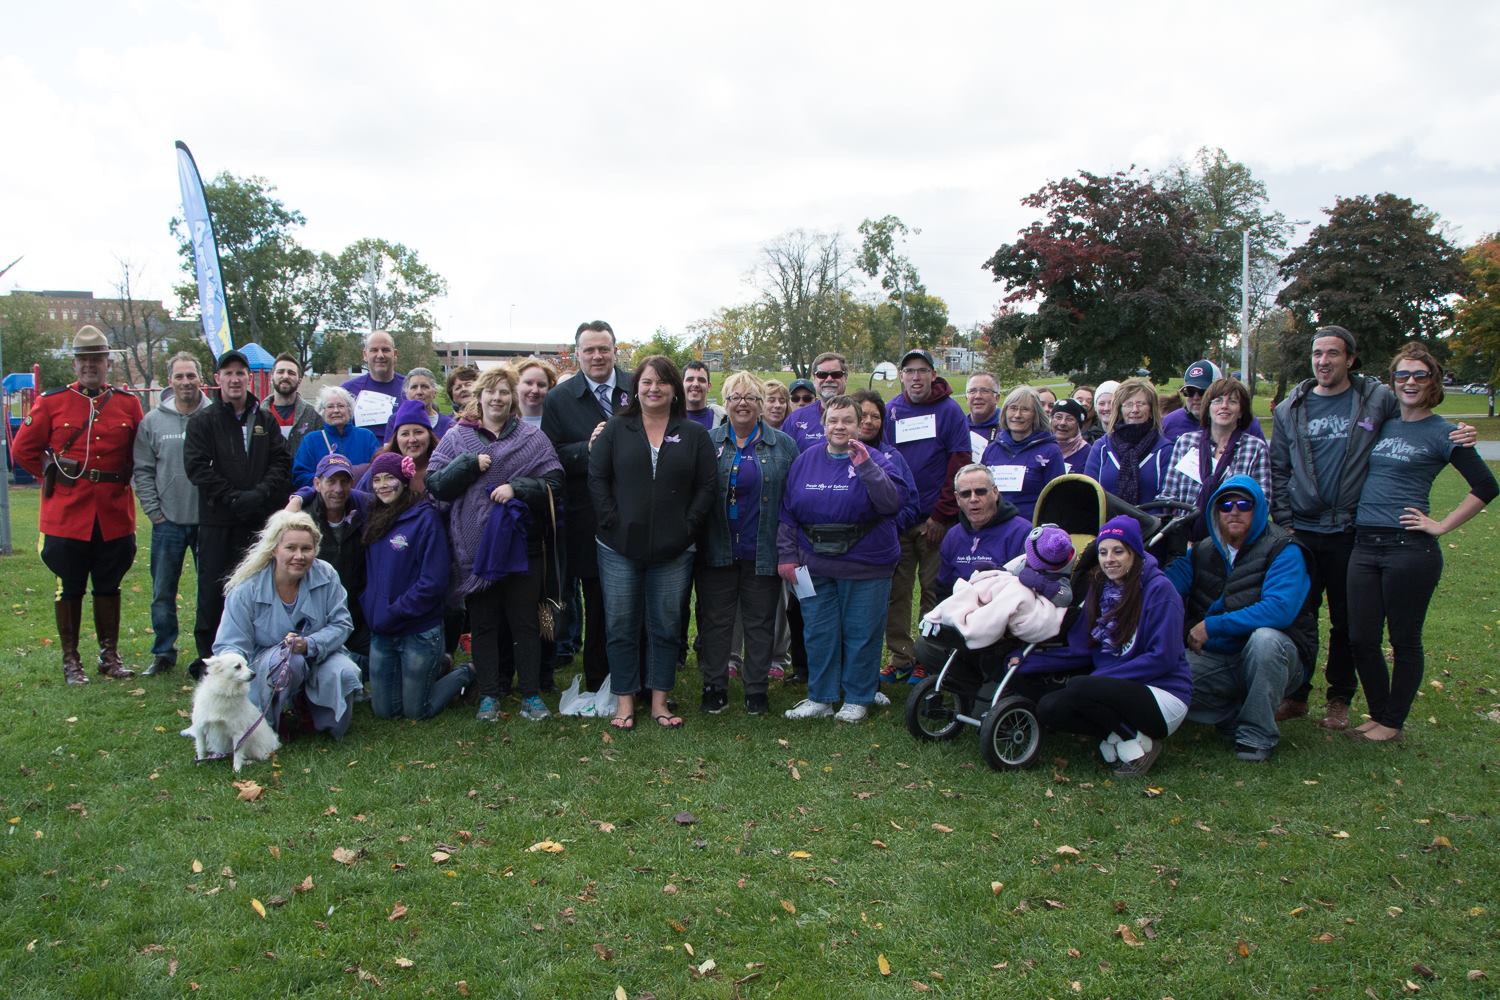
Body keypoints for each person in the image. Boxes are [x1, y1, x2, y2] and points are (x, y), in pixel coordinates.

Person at [1269, 326, 1475, 729]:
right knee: (1299, 615)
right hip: (1302, 531)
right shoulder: (1291, 407)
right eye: (1317, 353)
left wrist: (1458, 431)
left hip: (1351, 530)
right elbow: (1279, 468)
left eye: (1333, 353)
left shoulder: (1376, 399)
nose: (1323, 360)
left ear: (1350, 359)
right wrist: (1287, 523)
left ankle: (1339, 698)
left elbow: (1418, 412)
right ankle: (1296, 694)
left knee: (1348, 622)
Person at [1345, 345, 1497, 743]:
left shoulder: (1445, 432)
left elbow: (1486, 486)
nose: (1410, 382)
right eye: (1402, 375)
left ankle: (1392, 722)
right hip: (1365, 544)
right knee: (1361, 638)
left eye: (1419, 375)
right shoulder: (1384, 423)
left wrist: (1441, 525)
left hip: (1408, 549)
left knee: (1404, 639)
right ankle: (1379, 713)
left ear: (1433, 382)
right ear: (1393, 381)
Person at [428, 364, 564, 723]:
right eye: (491, 391)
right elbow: (436, 484)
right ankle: (489, 695)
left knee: (525, 623)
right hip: (476, 551)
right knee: (484, 625)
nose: (497, 398)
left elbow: (555, 482)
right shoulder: (457, 438)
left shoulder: (533, 439)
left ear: (513, 397)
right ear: (480, 396)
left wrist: (517, 488)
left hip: (524, 548)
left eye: (504, 391)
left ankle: (531, 694)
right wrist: (469, 465)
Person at [588, 355, 717, 729]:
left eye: (662, 382)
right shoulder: (616, 429)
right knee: (621, 624)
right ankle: (625, 702)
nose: (654, 389)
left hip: (675, 549)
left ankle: (660, 702)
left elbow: (707, 486)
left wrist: (688, 527)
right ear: (636, 388)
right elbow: (597, 478)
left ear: (674, 389)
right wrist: (612, 521)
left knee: (665, 625)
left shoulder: (693, 434)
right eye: (646, 382)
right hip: (617, 547)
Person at [12, 325, 144, 684]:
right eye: (84, 360)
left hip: (113, 512)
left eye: (96, 359)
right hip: (67, 514)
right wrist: (51, 476)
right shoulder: (52, 402)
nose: (90, 366)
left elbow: (141, 452)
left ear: (108, 363)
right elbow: (23, 449)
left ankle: (109, 655)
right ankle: (71, 660)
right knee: (69, 586)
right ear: (74, 364)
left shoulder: (127, 403)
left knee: (109, 584)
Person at [1022, 516, 1193, 776]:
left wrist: (1100, 679)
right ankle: (1123, 734)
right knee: (1049, 707)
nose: (1109, 559)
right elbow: (1081, 646)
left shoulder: (1161, 590)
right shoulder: (1100, 587)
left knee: (1081, 687)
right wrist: (1025, 661)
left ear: (1134, 553)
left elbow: (1163, 657)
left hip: (1163, 694)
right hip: (1113, 686)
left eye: (1118, 551)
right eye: (1103, 552)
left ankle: (1139, 745)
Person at [1164, 477, 1316, 762]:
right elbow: (1164, 587)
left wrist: (1212, 625)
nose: (1234, 511)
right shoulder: (1202, 551)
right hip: (1219, 656)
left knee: (1265, 640)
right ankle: (1232, 714)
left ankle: (1256, 734)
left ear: (1258, 510)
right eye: (1225, 505)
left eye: (1244, 505)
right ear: (1215, 511)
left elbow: (1280, 609)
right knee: (1163, 682)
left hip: (1278, 657)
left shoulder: (1284, 549)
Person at [779, 395, 905, 722]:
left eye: (847, 421)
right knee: (818, 632)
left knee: (862, 633)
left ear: (859, 426)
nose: (839, 427)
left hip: (866, 565)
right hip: (813, 566)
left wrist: (866, 467)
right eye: (833, 420)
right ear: (823, 425)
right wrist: (787, 556)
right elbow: (788, 513)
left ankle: (858, 697)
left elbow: (891, 504)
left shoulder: (877, 459)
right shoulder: (805, 460)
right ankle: (821, 697)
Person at [696, 372, 798, 715]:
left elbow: (793, 500)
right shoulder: (707, 441)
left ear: (761, 404)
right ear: (725, 403)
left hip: (762, 549)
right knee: (716, 622)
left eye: (750, 398)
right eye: (735, 397)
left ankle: (756, 689)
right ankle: (714, 686)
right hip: (717, 548)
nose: (742, 403)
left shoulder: (783, 445)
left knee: (760, 622)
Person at [542, 320, 635, 692]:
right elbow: (550, 456)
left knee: (637, 598)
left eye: (604, 348)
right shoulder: (559, 399)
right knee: (597, 599)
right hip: (588, 516)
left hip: (638, 511)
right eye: (590, 349)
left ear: (615, 350)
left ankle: (639, 678)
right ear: (577, 353)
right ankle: (600, 679)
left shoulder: (637, 387)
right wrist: (589, 449)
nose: (597, 356)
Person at [213, 510, 361, 739]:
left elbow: (342, 624)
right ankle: (267, 722)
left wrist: (309, 644)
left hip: (320, 653)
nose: (299, 556)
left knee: (345, 670)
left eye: (306, 549)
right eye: (290, 548)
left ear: (315, 550)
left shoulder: (327, 574)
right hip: (266, 661)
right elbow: (230, 644)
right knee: (289, 662)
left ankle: (319, 718)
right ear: (274, 549)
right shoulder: (246, 589)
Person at [185, 349, 292, 659]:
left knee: (258, 587)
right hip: (218, 520)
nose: (234, 379)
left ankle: (256, 653)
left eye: (240, 373)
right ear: (217, 379)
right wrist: (232, 497)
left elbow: (281, 461)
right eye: (228, 373)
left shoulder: (265, 419)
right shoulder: (203, 421)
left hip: (258, 519)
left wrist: (260, 493)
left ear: (249, 379)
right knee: (213, 590)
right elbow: (197, 468)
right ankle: (210, 658)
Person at [361, 452, 473, 720]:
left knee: (417, 711)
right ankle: (432, 669)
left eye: (389, 478)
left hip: (418, 630)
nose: (382, 485)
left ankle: (467, 671)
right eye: (377, 479)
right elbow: (325, 490)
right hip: (382, 630)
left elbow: (433, 581)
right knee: (385, 712)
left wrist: (396, 610)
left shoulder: (425, 518)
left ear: (404, 480)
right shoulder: (374, 516)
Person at [881, 349, 971, 684]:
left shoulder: (949, 411)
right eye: (909, 371)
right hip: (900, 519)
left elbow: (959, 463)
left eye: (922, 370)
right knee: (898, 592)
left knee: (933, 591)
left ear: (933, 374)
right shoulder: (892, 411)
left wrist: (942, 515)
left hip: (936, 521)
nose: (915, 377)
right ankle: (901, 657)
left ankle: (928, 657)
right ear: (901, 376)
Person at [132, 351, 210, 676]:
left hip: (209, 523)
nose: (186, 382)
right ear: (170, 381)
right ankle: (163, 652)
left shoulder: (214, 416)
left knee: (210, 591)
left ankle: (210, 651)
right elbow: (142, 469)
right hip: (168, 522)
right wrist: (154, 511)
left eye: (191, 375)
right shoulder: (153, 422)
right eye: (179, 376)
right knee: (163, 591)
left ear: (201, 379)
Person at [290, 454, 371, 680]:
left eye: (344, 482)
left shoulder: (362, 509)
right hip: (314, 614)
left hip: (356, 612)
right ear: (317, 484)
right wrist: (298, 497)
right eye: (331, 481)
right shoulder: (302, 518)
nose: (338, 489)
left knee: (385, 658)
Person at [1157, 378, 1272, 527]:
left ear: (1241, 412)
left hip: (1234, 536)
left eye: (1232, 401)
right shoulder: (1186, 443)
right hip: (1184, 534)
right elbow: (1168, 495)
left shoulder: (1255, 448)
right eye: (1217, 401)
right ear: (1208, 408)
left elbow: (1263, 502)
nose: (1224, 406)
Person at [935, 464, 1032, 602]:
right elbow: (943, 590)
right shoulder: (953, 536)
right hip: (959, 609)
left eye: (980, 492)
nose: (973, 499)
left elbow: (1027, 591)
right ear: (957, 498)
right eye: (965, 494)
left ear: (995, 492)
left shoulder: (1022, 532)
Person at [979, 386, 1066, 520]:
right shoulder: (992, 450)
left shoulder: (1050, 451)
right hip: (994, 524)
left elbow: (1057, 500)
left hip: (1032, 527)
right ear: (1005, 412)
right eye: (1013, 408)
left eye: (1025, 409)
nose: (1017, 415)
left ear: (1036, 415)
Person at [1083, 377, 1171, 507]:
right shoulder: (1101, 447)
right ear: (1120, 409)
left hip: (1151, 519)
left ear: (1151, 409)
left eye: (1141, 404)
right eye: (1128, 404)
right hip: (1107, 519)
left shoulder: (1164, 449)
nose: (1135, 410)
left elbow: (1167, 499)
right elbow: (1088, 493)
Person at [292, 386, 379, 489]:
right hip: (324, 497)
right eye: (330, 406)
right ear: (322, 411)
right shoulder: (311, 440)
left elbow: (378, 469)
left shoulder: (367, 437)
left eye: (341, 406)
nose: (336, 410)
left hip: (361, 495)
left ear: (349, 410)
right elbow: (300, 476)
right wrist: (329, 482)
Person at [1161, 360, 1265, 443]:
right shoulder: (1169, 422)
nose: (1196, 397)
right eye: (1190, 391)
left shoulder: (1247, 423)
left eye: (1202, 391)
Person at [357, 400, 438, 496]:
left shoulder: (442, 465)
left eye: (418, 432)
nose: (412, 439)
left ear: (429, 435)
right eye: (405, 434)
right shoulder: (382, 465)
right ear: (396, 438)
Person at [342, 330, 405, 444]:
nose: (380, 355)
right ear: (365, 355)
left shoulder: (410, 388)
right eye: (374, 350)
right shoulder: (347, 391)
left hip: (399, 453)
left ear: (395, 354)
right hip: (361, 453)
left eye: (385, 350)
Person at [786, 354, 849, 451]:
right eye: (822, 374)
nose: (829, 379)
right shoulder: (796, 418)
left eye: (836, 374)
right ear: (814, 379)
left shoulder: (862, 415)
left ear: (846, 378)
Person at [267, 353, 323, 455]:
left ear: (299, 381)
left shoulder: (315, 415)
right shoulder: (257, 415)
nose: (285, 376)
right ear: (271, 377)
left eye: (291, 373)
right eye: (280, 372)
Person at [384, 366, 453, 441]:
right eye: (414, 387)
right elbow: (389, 448)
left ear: (434, 392)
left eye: (424, 387)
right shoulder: (394, 420)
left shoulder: (448, 424)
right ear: (406, 393)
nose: (419, 392)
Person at [964, 371, 1002, 461]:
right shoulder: (957, 428)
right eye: (972, 391)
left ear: (997, 398)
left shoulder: (1008, 429)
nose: (978, 396)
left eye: (985, 391)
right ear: (966, 398)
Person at [1049, 398, 1092, 473]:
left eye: (1069, 419)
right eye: (1058, 417)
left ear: (1078, 425)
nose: (1062, 423)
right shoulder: (1043, 448)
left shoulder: (1089, 453)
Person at [515, 357, 559, 427]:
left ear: (549, 388)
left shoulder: (559, 422)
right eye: (529, 383)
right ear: (515, 384)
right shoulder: (502, 422)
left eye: (541, 385)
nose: (535, 390)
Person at [682, 360, 726, 429]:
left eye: (701, 380)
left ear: (709, 387)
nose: (695, 384)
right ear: (682, 385)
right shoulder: (670, 420)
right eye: (690, 379)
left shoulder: (724, 421)